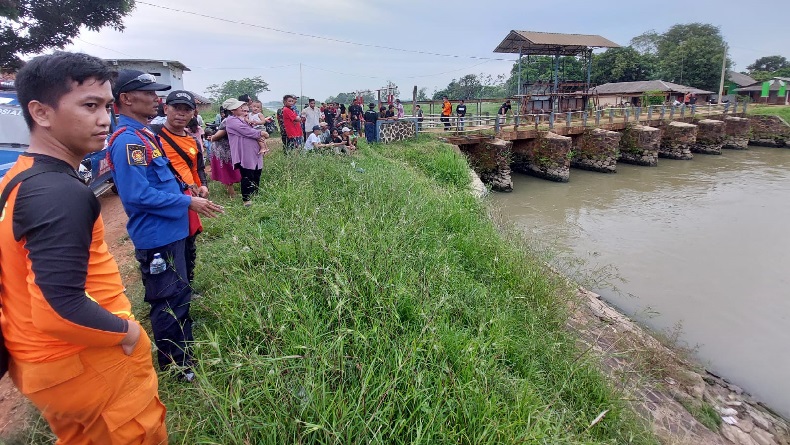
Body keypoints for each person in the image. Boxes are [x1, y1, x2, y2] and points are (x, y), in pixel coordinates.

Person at [0, 51, 168, 445]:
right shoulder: (60, 192)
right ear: (41, 112)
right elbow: (59, 310)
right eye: (89, 106)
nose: (104, 119)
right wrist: (128, 333)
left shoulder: (21, 176)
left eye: (108, 106)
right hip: (83, 359)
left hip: (46, 364)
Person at [108, 69, 224, 381]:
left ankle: (182, 355)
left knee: (179, 295)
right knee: (168, 302)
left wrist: (189, 192)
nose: (156, 99)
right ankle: (178, 368)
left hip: (173, 231)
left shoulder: (145, 136)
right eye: (149, 94)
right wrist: (188, 202)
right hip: (158, 236)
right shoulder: (128, 142)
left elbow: (163, 182)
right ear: (126, 98)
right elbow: (137, 195)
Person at [157, 90, 209, 285]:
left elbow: (198, 167)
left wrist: (203, 185)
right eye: (176, 108)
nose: (181, 114)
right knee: (172, 247)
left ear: (193, 113)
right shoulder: (154, 138)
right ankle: (174, 288)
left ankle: (188, 284)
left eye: (186, 110)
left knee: (189, 243)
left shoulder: (192, 140)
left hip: (190, 198)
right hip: (168, 200)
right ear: (165, 109)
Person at [223, 98, 269, 206]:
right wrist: (261, 133)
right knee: (247, 174)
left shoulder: (243, 118)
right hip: (245, 153)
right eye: (240, 107)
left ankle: (255, 195)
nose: (243, 108)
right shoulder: (231, 120)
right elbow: (247, 131)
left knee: (257, 173)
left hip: (254, 151)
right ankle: (247, 199)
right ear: (232, 110)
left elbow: (251, 128)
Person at [209, 112, 242, 197]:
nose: (245, 112)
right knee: (227, 170)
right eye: (243, 110)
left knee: (231, 169)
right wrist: (212, 137)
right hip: (222, 150)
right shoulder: (227, 121)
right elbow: (217, 136)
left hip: (231, 149)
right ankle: (232, 194)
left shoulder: (240, 120)